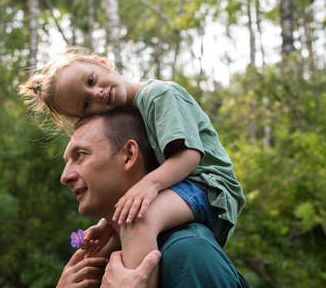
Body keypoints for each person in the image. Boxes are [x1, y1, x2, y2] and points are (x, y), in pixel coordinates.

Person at [19, 49, 246, 287]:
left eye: (91, 80)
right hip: (186, 187)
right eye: (86, 105)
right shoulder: (134, 110)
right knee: (131, 221)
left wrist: (150, 184)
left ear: (102, 62)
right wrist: (107, 225)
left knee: (138, 218)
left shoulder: (160, 95)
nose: (96, 93)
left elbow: (189, 156)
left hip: (211, 186)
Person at [57, 107, 243, 287]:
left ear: (129, 155)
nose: (65, 177)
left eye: (80, 155)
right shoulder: (98, 265)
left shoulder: (187, 252)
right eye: (67, 162)